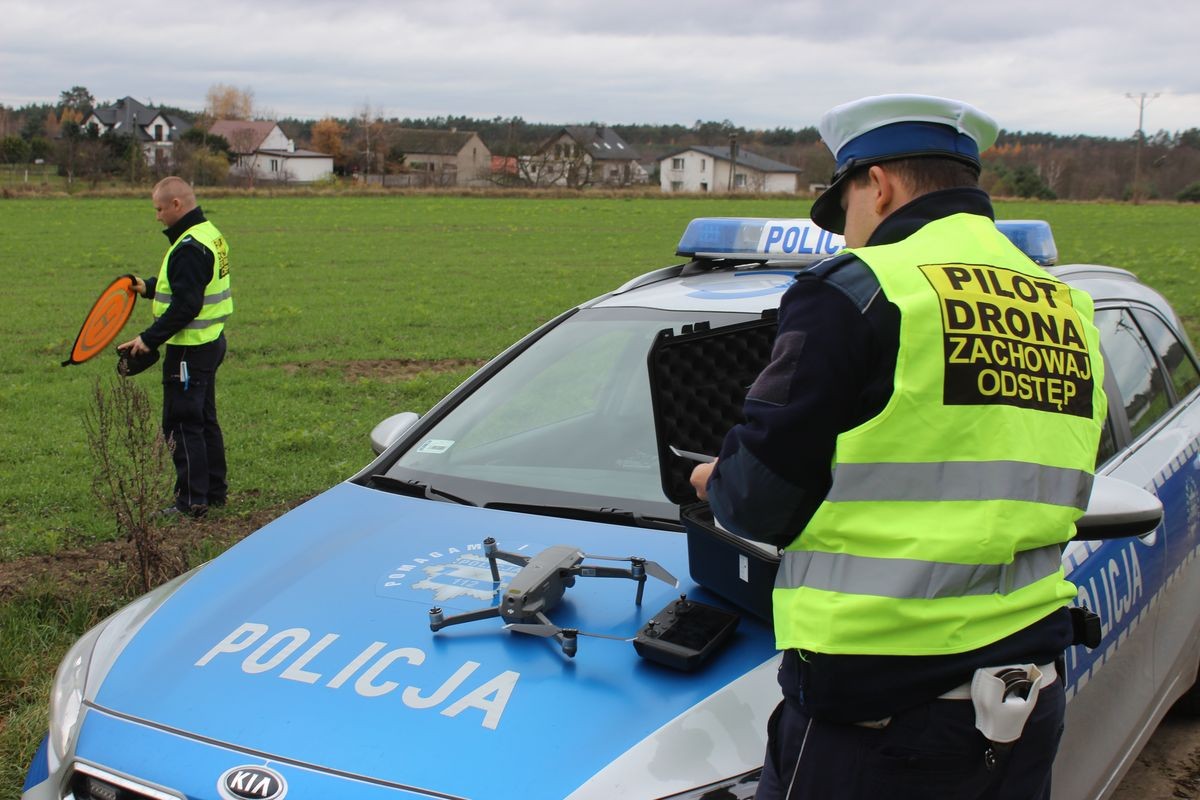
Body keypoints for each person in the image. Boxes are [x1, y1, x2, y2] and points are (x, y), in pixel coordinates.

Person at [689, 95, 1106, 799]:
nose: (847, 238)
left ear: (877, 185)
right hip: (1025, 699)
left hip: (882, 720)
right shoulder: (1065, 307)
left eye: (843, 213)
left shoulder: (860, 287)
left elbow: (757, 500)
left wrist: (715, 481)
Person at [117, 176, 232, 518]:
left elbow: (186, 306)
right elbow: (187, 288)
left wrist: (147, 339)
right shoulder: (208, 234)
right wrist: (147, 287)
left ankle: (191, 502)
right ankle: (213, 492)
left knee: (182, 424)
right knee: (204, 420)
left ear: (177, 205)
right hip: (210, 342)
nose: (157, 216)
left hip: (188, 350)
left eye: (159, 209)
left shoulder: (188, 248)